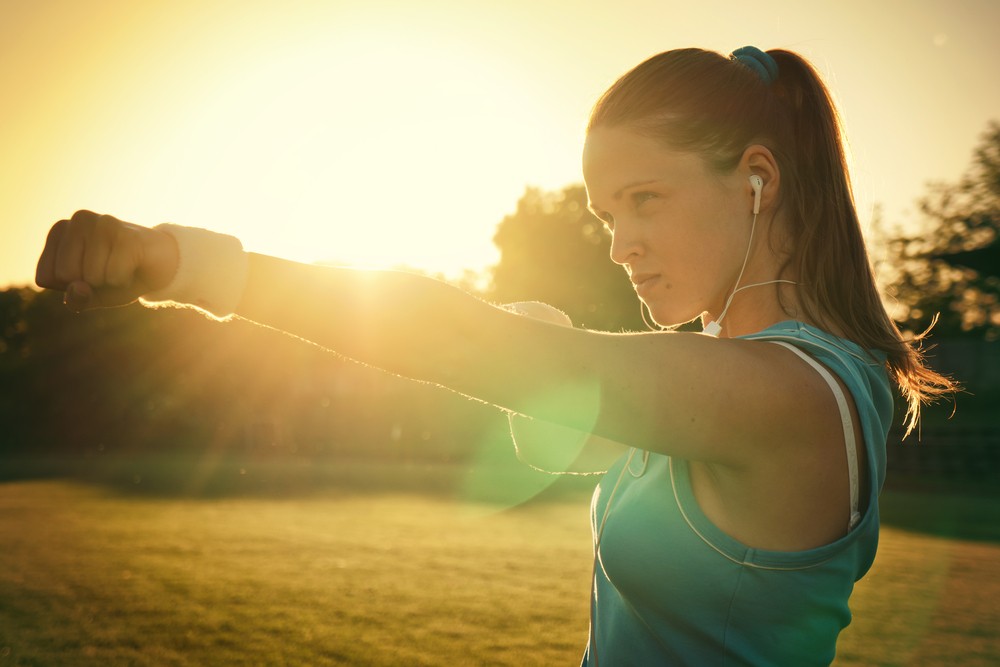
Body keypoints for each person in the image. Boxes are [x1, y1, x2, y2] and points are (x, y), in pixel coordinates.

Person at [35, 46, 955, 665]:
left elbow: (460, 342)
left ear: (758, 181)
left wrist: (184, 260)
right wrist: (543, 345)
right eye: (605, 213)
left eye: (645, 198)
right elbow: (561, 438)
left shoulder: (791, 393)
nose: (619, 243)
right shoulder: (723, 372)